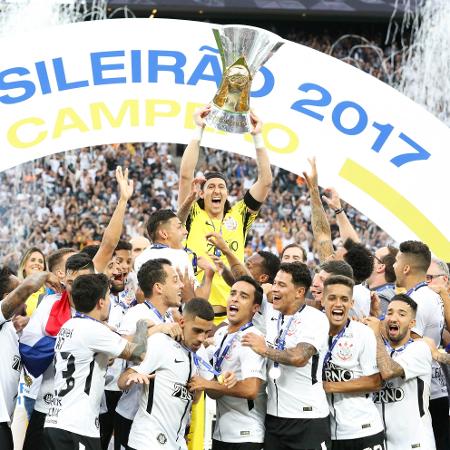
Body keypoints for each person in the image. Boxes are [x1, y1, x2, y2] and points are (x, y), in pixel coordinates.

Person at [178, 106, 272, 323]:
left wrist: (257, 137)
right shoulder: (193, 213)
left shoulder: (239, 214)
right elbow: (185, 176)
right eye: (211, 187)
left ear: (228, 193)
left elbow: (265, 181)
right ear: (201, 192)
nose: (217, 190)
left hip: (233, 318)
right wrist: (198, 130)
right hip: (197, 314)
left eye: (221, 186)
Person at [43, 273, 149, 450]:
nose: (109, 302)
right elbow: (139, 353)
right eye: (108, 297)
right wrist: (142, 325)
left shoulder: (69, 325)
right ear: (100, 302)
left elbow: (87, 361)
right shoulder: (94, 330)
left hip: (58, 422)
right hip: (76, 427)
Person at [242, 263, 331, 450]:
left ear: (299, 292)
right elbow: (246, 284)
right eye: (274, 283)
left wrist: (264, 349)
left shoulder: (315, 319)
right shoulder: (271, 315)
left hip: (308, 419)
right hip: (275, 418)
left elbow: (299, 357)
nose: (274, 288)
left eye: (281, 285)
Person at [118, 298, 217, 450]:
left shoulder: (198, 352)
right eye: (197, 330)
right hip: (148, 442)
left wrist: (199, 388)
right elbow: (122, 381)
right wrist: (132, 377)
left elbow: (193, 399)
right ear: (182, 322)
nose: (201, 338)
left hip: (176, 443)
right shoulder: (161, 343)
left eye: (206, 333)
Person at [20, 253, 95, 450]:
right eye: (73, 281)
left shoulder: (102, 308)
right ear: (65, 280)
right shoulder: (49, 304)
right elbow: (29, 348)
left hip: (85, 414)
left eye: (84, 281)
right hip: (47, 404)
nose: (78, 288)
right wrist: (68, 343)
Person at [188, 276, 266, 450]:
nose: (235, 298)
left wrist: (207, 384)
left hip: (246, 436)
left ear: (255, 308)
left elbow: (251, 389)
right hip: (222, 433)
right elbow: (216, 390)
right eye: (233, 293)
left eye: (243, 296)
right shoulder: (222, 333)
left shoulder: (251, 339)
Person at [114, 258, 184, 450]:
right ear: (159, 287)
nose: (181, 285)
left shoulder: (168, 317)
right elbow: (119, 349)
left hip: (158, 420)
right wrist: (156, 330)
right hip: (132, 415)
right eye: (175, 280)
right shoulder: (137, 314)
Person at [393, 240, 448, 450]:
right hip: (433, 388)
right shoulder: (427, 295)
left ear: (406, 268)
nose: (394, 266)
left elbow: (410, 346)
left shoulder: (418, 300)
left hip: (423, 393)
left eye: (397, 261)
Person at [364, 295, 435, 450]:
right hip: (381, 443)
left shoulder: (419, 349)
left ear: (412, 323)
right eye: (389, 313)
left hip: (415, 444)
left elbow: (388, 370)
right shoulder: (381, 350)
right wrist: (375, 317)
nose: (393, 318)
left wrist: (375, 333)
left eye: (401, 314)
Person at [321, 275, 384, 450]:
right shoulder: (312, 331)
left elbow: (375, 381)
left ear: (352, 303)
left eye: (344, 299)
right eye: (332, 298)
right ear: (322, 301)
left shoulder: (363, 333)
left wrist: (328, 386)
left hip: (363, 429)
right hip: (327, 432)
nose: (338, 304)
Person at [0, 269, 60, 450]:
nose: (27, 297)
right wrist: (46, 275)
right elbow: (27, 288)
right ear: (8, 296)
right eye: (18, 290)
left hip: (4, 421)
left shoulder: (11, 329)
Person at [134, 209, 214, 301]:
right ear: (164, 234)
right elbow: (199, 301)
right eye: (179, 227)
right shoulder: (179, 256)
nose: (185, 232)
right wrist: (209, 273)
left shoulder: (140, 258)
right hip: (177, 315)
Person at [365, 246, 398, 315]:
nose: (368, 259)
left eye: (373, 257)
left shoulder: (382, 300)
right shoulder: (367, 288)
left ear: (380, 267)